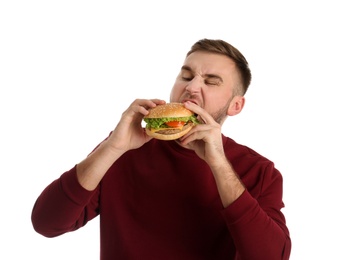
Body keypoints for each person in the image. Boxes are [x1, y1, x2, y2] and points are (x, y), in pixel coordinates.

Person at [31, 38, 291, 259]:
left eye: (211, 82)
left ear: (236, 105)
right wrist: (113, 147)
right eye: (186, 76)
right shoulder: (124, 149)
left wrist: (218, 165)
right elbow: (47, 223)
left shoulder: (260, 171)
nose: (191, 87)